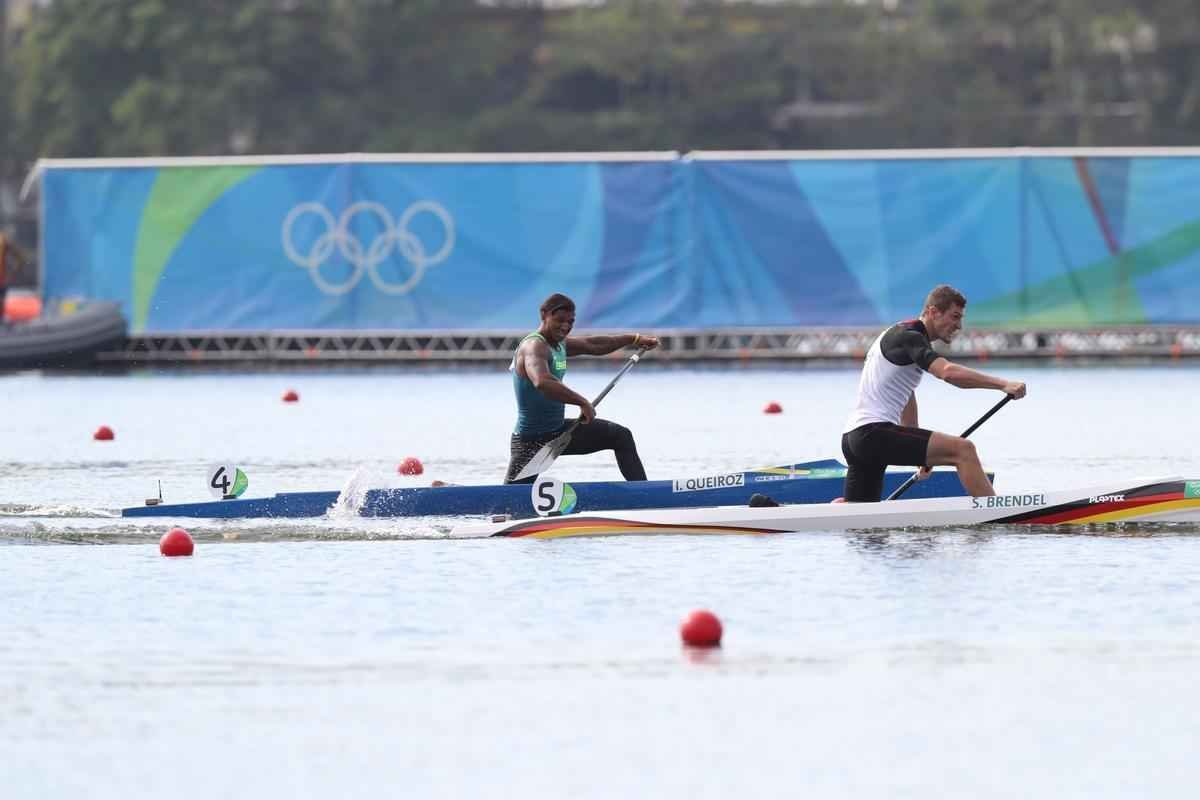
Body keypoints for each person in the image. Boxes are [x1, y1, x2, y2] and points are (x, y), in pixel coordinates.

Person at [841, 284, 1026, 502]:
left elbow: (905, 396)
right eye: (955, 317)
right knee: (963, 450)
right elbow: (947, 372)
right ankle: (997, 512)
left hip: (854, 438)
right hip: (873, 433)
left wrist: (919, 455)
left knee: (859, 515)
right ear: (933, 312)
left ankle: (832, 512)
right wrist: (1003, 384)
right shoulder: (909, 336)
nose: (959, 326)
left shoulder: (898, 336)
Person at [505, 292, 659, 484]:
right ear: (544, 315)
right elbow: (542, 382)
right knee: (510, 499)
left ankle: (642, 492)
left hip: (559, 431)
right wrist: (582, 402)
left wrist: (635, 339)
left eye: (570, 322)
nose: (565, 326)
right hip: (531, 441)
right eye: (560, 320)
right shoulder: (534, 346)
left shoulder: (559, 344)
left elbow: (593, 344)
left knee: (621, 436)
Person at [0, 231, 31, 322]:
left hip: (2, 280)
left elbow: (22, 259)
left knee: (1, 304)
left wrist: (12, 273)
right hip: (3, 280)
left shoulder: (3, 240)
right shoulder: (3, 240)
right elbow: (22, 258)